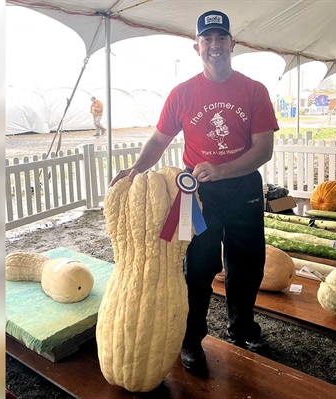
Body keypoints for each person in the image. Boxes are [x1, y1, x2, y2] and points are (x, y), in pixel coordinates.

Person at [109, 10, 279, 375]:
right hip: (196, 194)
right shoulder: (182, 93)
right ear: (197, 46)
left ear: (233, 44)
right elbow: (159, 138)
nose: (214, 45)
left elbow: (263, 150)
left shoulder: (253, 90)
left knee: (247, 264)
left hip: (243, 187)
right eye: (207, 39)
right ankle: (191, 339)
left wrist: (223, 170)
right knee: (197, 267)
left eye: (221, 38)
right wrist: (137, 169)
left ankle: (242, 328)